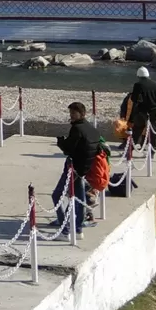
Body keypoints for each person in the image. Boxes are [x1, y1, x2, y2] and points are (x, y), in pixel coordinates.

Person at [51, 101, 100, 237]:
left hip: (73, 168)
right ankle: (78, 229)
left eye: (73, 113)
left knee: (57, 196)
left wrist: (61, 142)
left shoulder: (77, 129)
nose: (71, 115)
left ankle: (64, 230)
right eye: (70, 113)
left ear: (81, 113)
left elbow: (68, 149)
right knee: (79, 198)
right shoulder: (92, 129)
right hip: (83, 170)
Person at [122, 67, 156, 148]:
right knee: (154, 130)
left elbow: (134, 99)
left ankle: (131, 148)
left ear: (139, 76)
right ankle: (153, 148)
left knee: (137, 130)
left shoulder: (138, 85)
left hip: (143, 111)